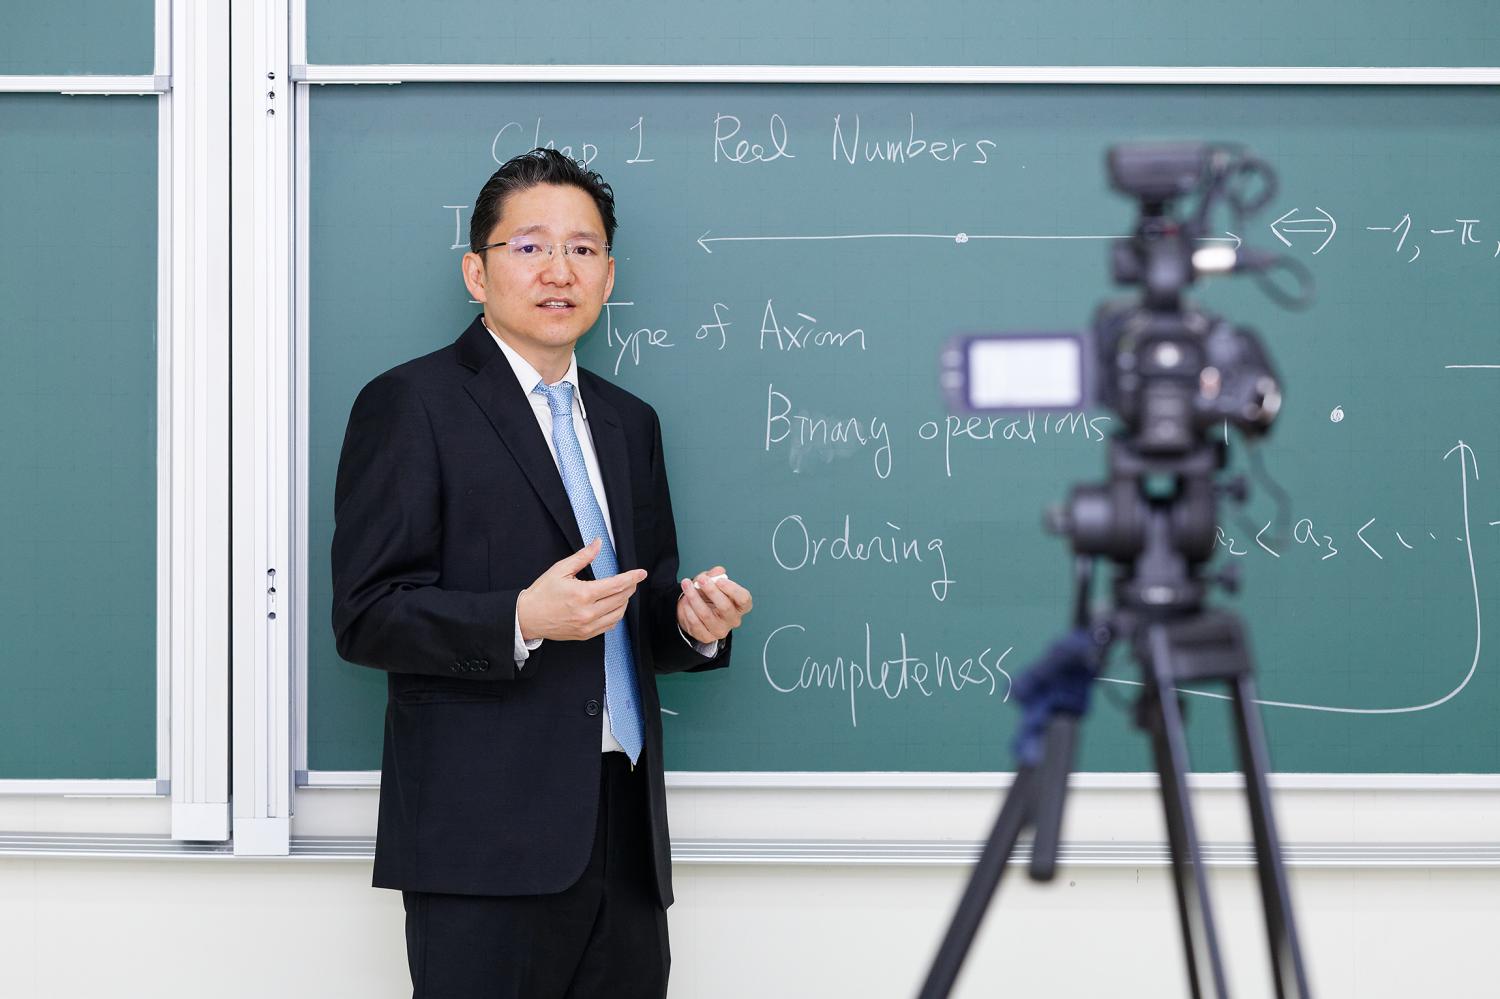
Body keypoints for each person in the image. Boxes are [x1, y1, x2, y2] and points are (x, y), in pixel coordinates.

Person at [331, 147, 752, 998]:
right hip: (482, 843)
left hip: (624, 834)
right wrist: (521, 618)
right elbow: (366, 613)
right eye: (529, 247)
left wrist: (689, 623)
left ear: (607, 274)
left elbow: (638, 602)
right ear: (476, 274)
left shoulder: (630, 423)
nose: (559, 269)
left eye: (584, 249)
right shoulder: (411, 403)